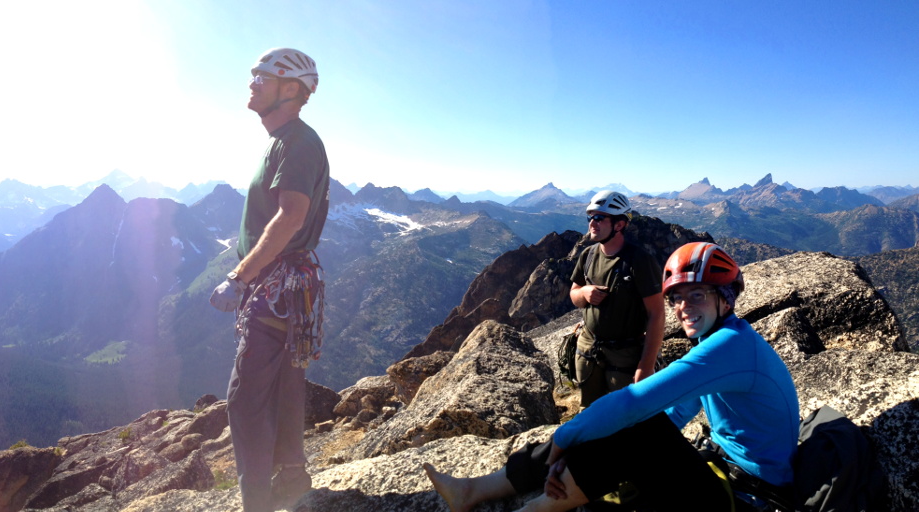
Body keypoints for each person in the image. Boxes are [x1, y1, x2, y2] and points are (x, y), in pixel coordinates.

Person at [423, 242, 799, 512]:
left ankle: (532, 506)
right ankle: (476, 490)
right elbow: (677, 411)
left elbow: (632, 403)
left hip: (748, 497)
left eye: (697, 295)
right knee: (630, 426)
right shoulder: (723, 339)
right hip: (722, 475)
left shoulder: (729, 348)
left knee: (630, 421)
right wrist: (585, 448)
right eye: (677, 298)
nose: (684, 308)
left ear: (724, 299)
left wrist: (567, 439)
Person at [210, 47, 330, 512]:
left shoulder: (297, 143)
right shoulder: (287, 141)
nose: (252, 82)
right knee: (282, 385)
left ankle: (256, 502)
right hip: (288, 289)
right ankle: (292, 478)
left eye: (262, 76)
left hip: (276, 288)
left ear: (291, 89)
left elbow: (289, 217)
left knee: (245, 399)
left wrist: (240, 277)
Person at [565, 191, 668, 406]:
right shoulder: (589, 255)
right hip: (589, 348)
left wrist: (646, 366)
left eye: (600, 218)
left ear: (619, 225)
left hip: (625, 355)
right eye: (591, 217)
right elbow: (574, 294)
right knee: (590, 412)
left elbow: (656, 313)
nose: (593, 223)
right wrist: (584, 293)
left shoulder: (639, 261)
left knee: (624, 419)